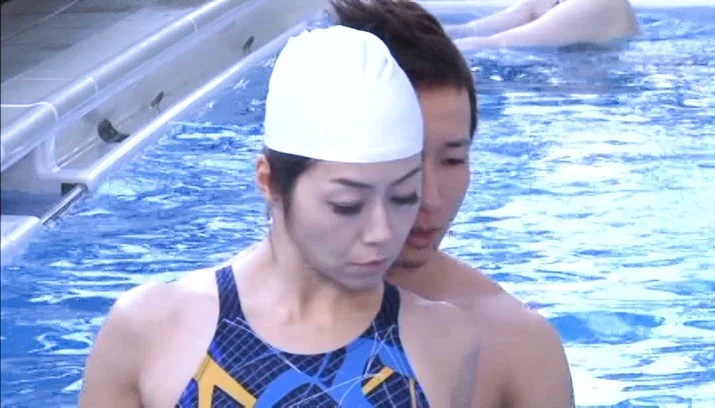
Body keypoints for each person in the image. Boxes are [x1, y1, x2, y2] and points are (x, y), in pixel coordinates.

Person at [79, 25, 480, 407]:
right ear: (269, 182)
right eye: (347, 205)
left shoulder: (443, 341)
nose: (382, 231)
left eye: (404, 198)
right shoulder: (153, 329)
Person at [330, 0, 575, 406]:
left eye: (452, 160)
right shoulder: (227, 323)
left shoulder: (516, 346)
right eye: (405, 160)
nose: (430, 197)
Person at [445, 0, 640, 50]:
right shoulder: (548, 2)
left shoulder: (597, 4)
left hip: (592, 108)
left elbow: (493, 44)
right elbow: (470, 30)